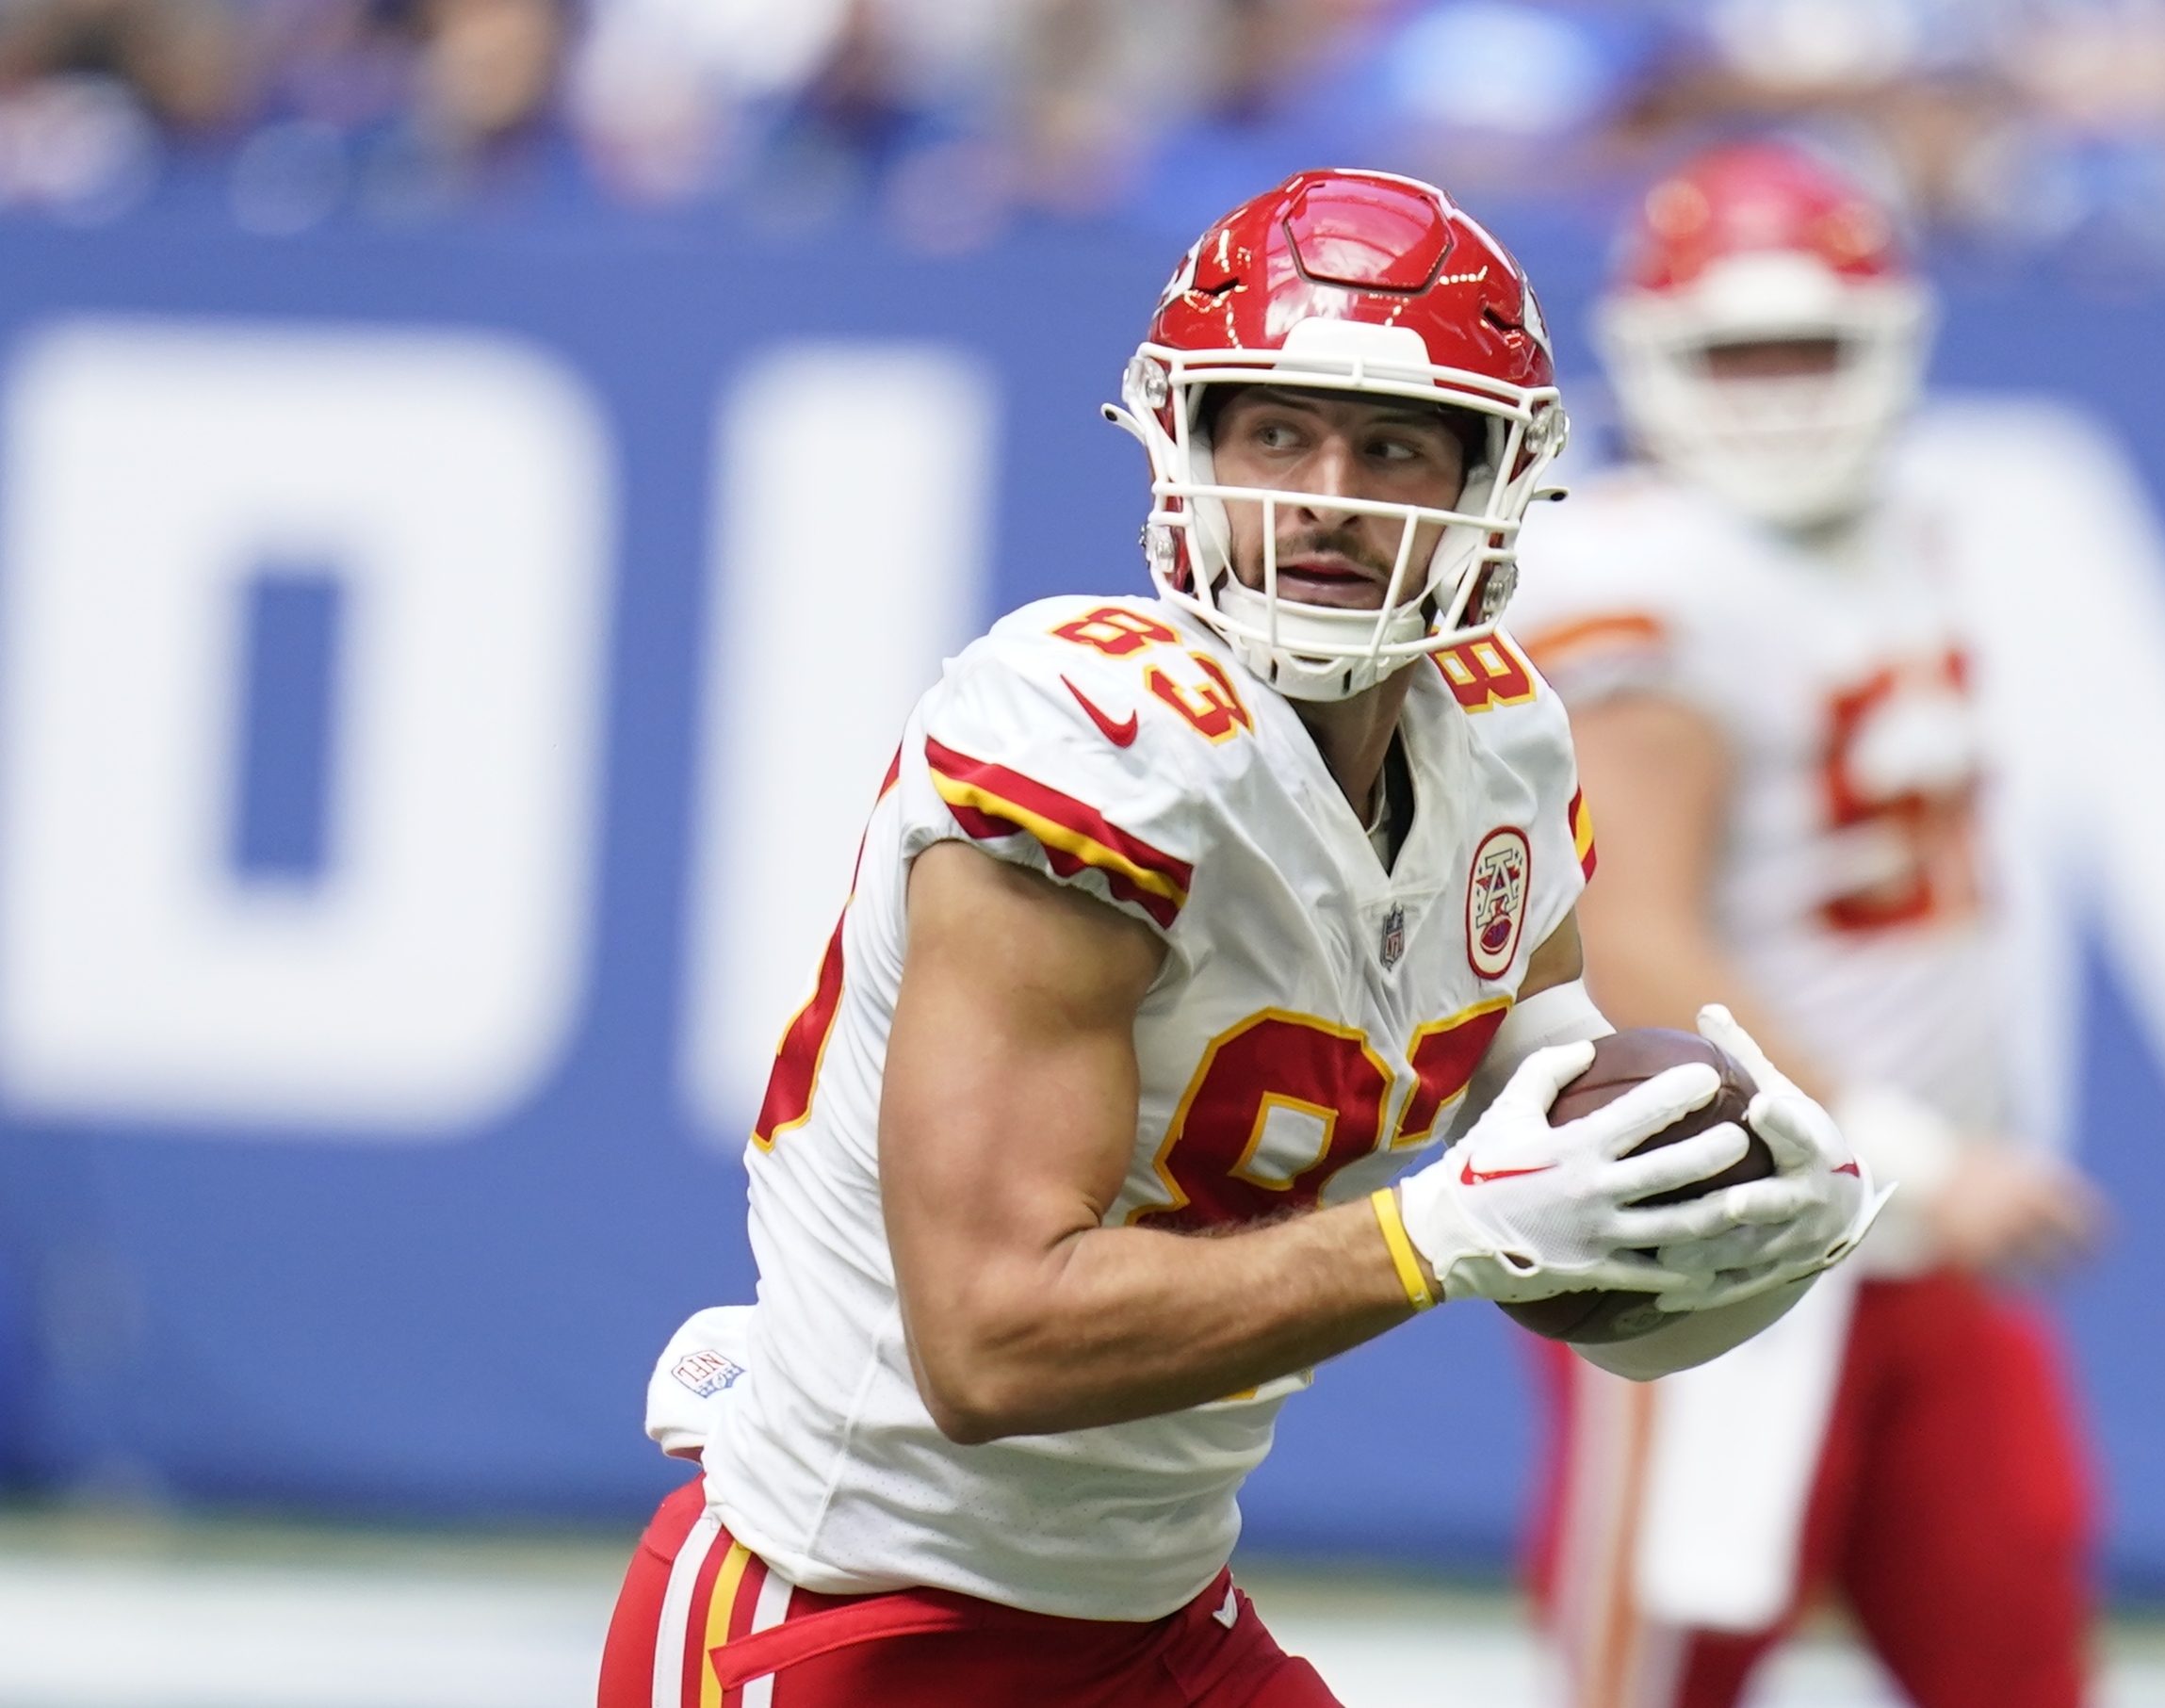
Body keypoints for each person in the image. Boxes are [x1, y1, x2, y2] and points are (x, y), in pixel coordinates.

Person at [594, 168, 1880, 1708]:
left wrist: (1698, 1196)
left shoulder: (1500, 741)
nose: (1326, 490)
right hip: (855, 1617)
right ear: (1184, 446)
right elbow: (992, 1341)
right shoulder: (1087, 737)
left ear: (1491, 486)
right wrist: (1440, 1234)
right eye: (1277, 430)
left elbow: (1544, 1096)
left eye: (1393, 443)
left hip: (1157, 1611)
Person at [1506, 141, 2107, 1708]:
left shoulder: (1910, 525)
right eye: (1734, 353)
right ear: (1651, 360)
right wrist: (1911, 1143)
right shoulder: (1637, 569)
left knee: (2017, 1651)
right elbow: (1629, 936)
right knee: (1661, 1672)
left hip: (1916, 1244)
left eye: (1810, 347)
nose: (1775, 389)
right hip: (1729, 1241)